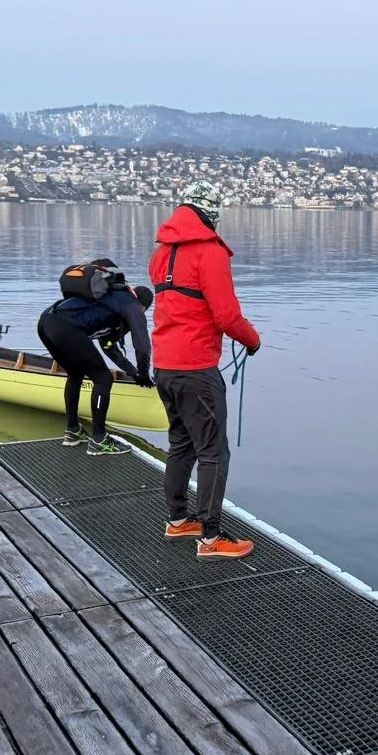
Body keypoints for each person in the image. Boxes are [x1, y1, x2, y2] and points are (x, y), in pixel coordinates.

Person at [147, 180, 260, 559]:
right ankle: (211, 538)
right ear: (212, 214)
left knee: (180, 444)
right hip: (196, 369)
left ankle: (179, 520)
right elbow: (226, 315)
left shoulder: (161, 253)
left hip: (163, 366)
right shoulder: (210, 252)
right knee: (214, 452)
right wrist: (252, 339)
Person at [36, 270, 153, 455]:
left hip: (46, 322)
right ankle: (99, 439)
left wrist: (133, 372)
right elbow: (142, 344)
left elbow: (107, 345)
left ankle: (72, 431)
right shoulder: (133, 307)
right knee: (104, 379)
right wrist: (144, 373)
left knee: (75, 373)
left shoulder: (111, 302)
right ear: (144, 306)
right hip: (65, 327)